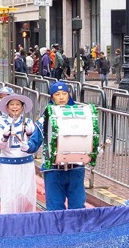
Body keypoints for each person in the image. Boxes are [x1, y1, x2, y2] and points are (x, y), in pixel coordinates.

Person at [33, 81, 88, 211]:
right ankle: (58, 231)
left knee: (78, 207)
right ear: (52, 97)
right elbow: (36, 137)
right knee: (55, 208)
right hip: (53, 168)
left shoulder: (80, 114)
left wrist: (92, 150)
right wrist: (29, 145)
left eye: (64, 93)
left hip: (76, 167)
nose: (62, 97)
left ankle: (77, 231)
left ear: (69, 95)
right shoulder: (46, 116)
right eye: (57, 94)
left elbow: (88, 134)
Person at [0, 93, 38, 214]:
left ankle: (27, 224)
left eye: (18, 104)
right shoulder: (2, 123)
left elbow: (34, 144)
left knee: (26, 196)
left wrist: (29, 136)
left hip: (25, 164)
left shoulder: (28, 122)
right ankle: (9, 226)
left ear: (22, 107)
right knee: (9, 197)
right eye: (12, 104)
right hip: (8, 165)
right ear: (7, 107)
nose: (15, 107)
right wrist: (4, 136)